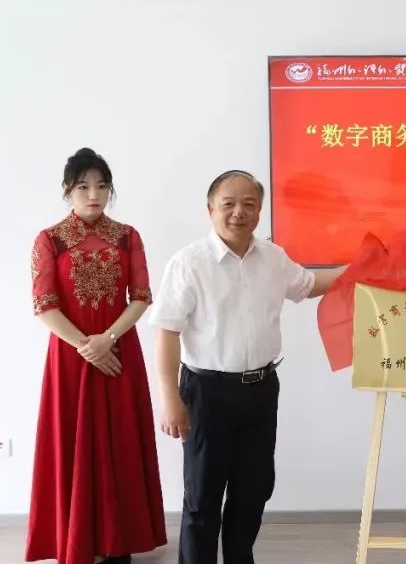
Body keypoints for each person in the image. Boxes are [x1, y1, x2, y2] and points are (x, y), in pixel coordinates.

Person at [149, 169, 345, 564]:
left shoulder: (273, 258)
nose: (238, 212)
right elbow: (167, 333)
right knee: (202, 498)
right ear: (210, 209)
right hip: (206, 393)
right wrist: (170, 400)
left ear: (259, 212)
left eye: (249, 204)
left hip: (260, 391)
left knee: (253, 490)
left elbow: (309, 285)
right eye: (229, 204)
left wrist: (363, 270)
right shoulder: (189, 263)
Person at [26, 148, 167, 564]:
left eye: (102, 186)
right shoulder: (49, 239)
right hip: (71, 357)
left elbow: (141, 297)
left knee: (120, 439)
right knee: (73, 441)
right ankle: (80, 541)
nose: (94, 195)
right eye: (84, 187)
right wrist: (87, 346)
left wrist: (107, 338)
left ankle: (116, 541)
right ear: (67, 190)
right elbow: (44, 306)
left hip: (119, 351)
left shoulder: (128, 236)